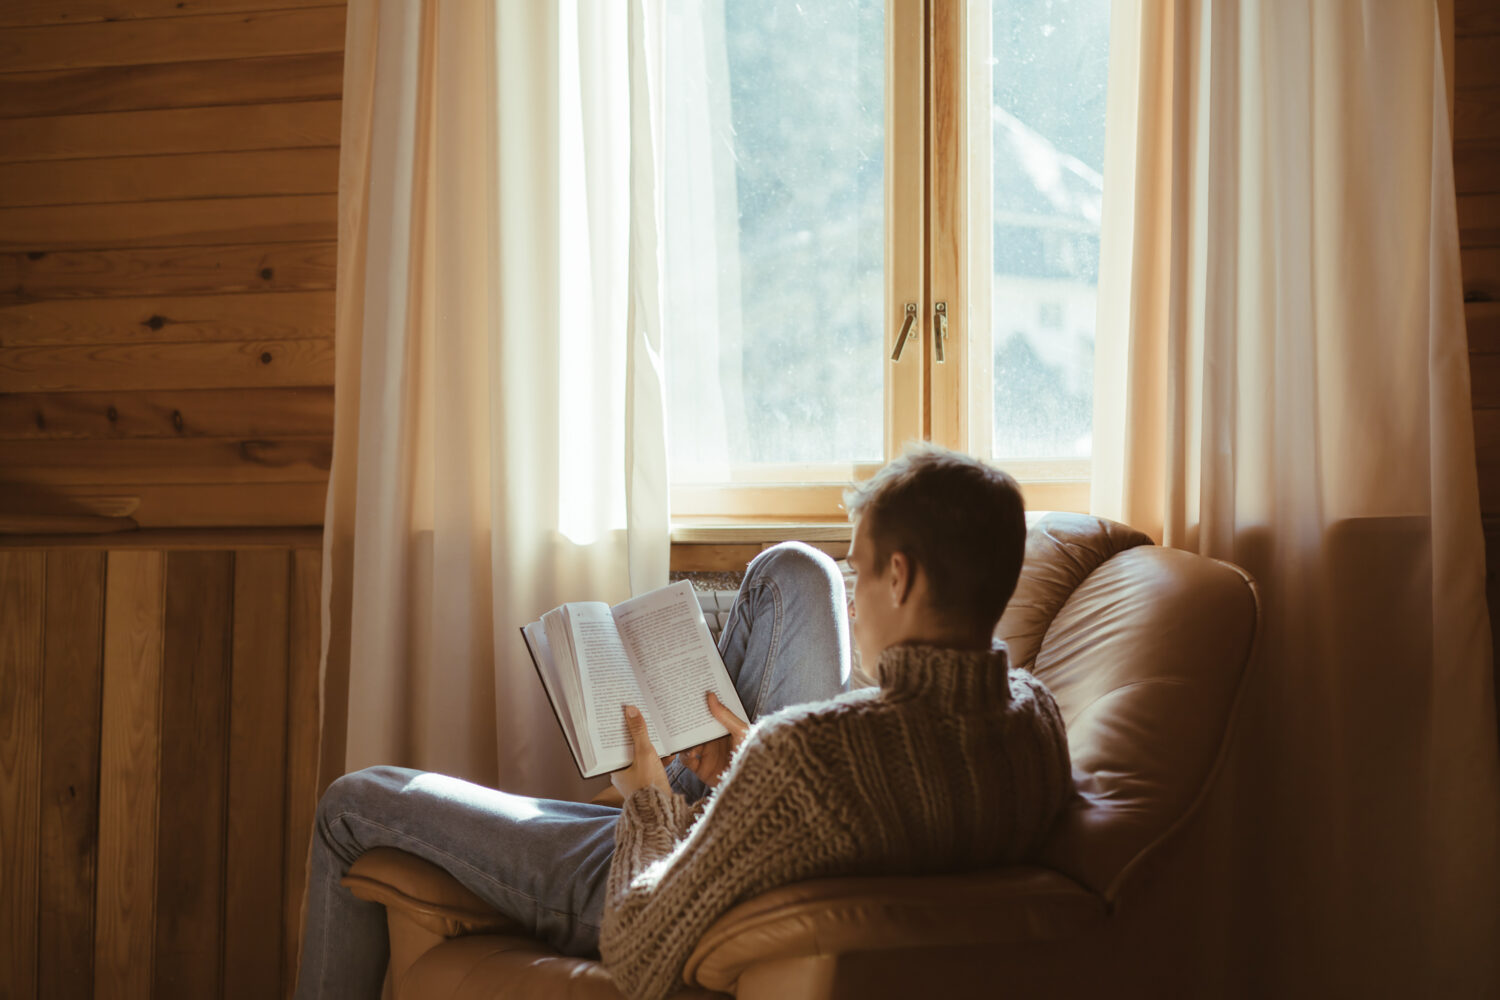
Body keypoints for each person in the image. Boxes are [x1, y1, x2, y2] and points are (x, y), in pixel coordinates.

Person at [295, 448, 1073, 1000]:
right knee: (789, 573)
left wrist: (645, 800)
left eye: (860, 570)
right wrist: (745, 773)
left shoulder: (812, 752)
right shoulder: (1035, 725)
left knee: (354, 802)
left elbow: (639, 947)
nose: (855, 593)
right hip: (729, 835)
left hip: (643, 872)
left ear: (898, 577)